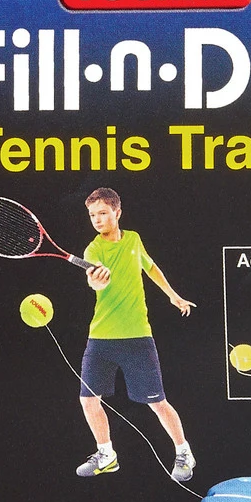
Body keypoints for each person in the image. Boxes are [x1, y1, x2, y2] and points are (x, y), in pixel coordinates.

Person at [75, 187, 196, 482]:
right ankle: (106, 455)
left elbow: (150, 267)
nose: (97, 219)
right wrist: (98, 280)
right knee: (88, 400)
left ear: (117, 212)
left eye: (103, 213)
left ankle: (184, 452)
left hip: (137, 337)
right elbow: (95, 281)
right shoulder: (93, 250)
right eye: (92, 215)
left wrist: (173, 296)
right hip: (101, 338)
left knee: (157, 402)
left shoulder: (133, 239)